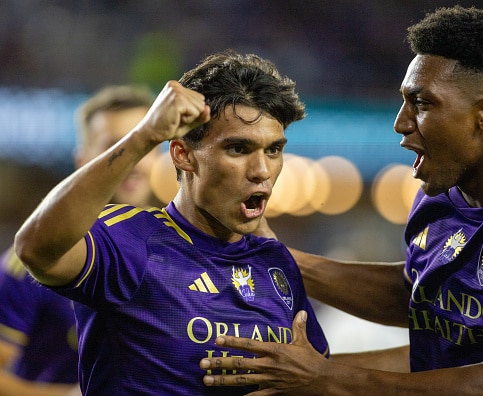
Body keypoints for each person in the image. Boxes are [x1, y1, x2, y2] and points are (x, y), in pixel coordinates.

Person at [197, 6, 483, 395]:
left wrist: (324, 378)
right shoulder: (440, 196)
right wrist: (276, 257)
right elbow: (416, 296)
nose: (401, 123)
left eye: (422, 104)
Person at [13, 50, 329, 395]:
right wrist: (144, 135)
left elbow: (316, 377)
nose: (262, 171)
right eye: (238, 149)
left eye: (273, 150)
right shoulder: (130, 240)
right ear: (183, 154)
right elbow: (35, 249)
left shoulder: (275, 261)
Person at [0, 85, 159, 396]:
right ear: (83, 159)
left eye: (145, 146)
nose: (134, 161)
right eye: (117, 148)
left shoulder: (182, 247)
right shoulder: (33, 262)